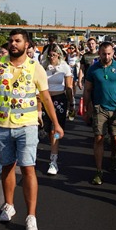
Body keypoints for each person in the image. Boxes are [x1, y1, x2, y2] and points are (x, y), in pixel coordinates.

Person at [0, 28, 64, 230]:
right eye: (11, 41)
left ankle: (31, 216)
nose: (13, 44)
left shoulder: (35, 67)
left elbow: (46, 97)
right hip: (2, 126)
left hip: (27, 126)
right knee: (7, 167)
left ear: (27, 44)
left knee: (28, 169)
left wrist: (56, 123)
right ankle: (9, 205)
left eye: (17, 41)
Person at [84, 41, 116, 185]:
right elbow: (87, 90)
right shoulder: (93, 69)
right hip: (99, 108)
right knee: (99, 138)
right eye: (103, 54)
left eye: (109, 54)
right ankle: (99, 170)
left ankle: (113, 157)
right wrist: (87, 109)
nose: (106, 56)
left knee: (115, 138)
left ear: (113, 53)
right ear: (99, 53)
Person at [42, 43, 74, 175]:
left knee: (55, 129)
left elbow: (68, 87)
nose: (51, 57)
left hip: (59, 100)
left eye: (54, 55)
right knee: (46, 129)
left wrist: (72, 103)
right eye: (49, 55)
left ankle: (53, 160)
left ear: (59, 55)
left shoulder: (64, 67)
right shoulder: (43, 66)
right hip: (45, 99)